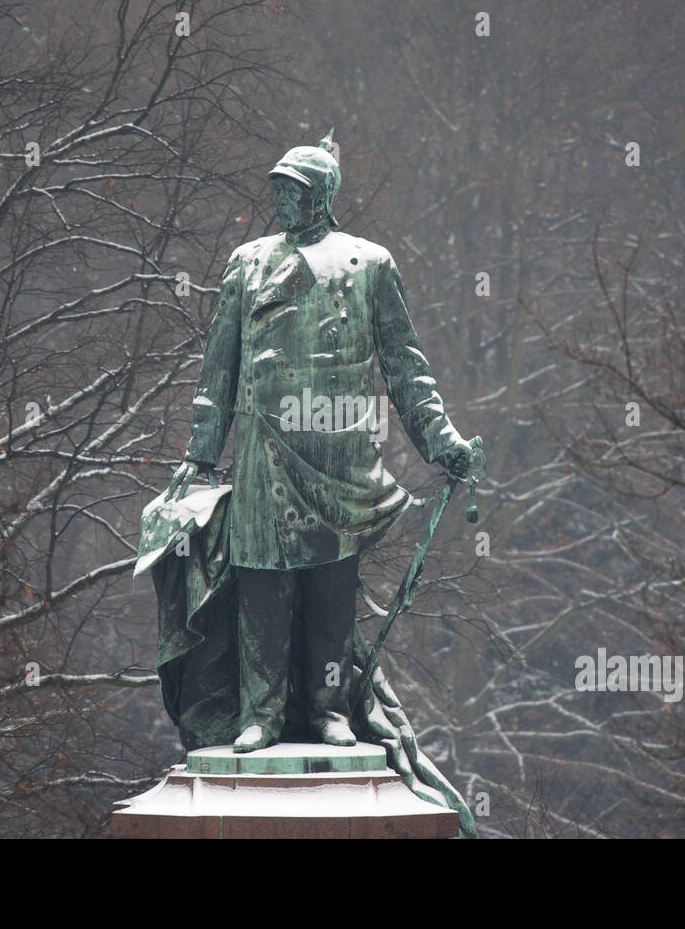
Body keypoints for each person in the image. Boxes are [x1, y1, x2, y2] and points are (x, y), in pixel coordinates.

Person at [165, 129, 478, 753]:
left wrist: (440, 440)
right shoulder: (247, 262)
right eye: (278, 188)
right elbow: (217, 371)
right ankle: (262, 713)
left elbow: (404, 365)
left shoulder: (370, 264)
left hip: (339, 452)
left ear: (323, 194)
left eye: (297, 189)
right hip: (262, 453)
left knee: (332, 591)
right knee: (260, 586)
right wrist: (201, 454)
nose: (283, 200)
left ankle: (328, 709)